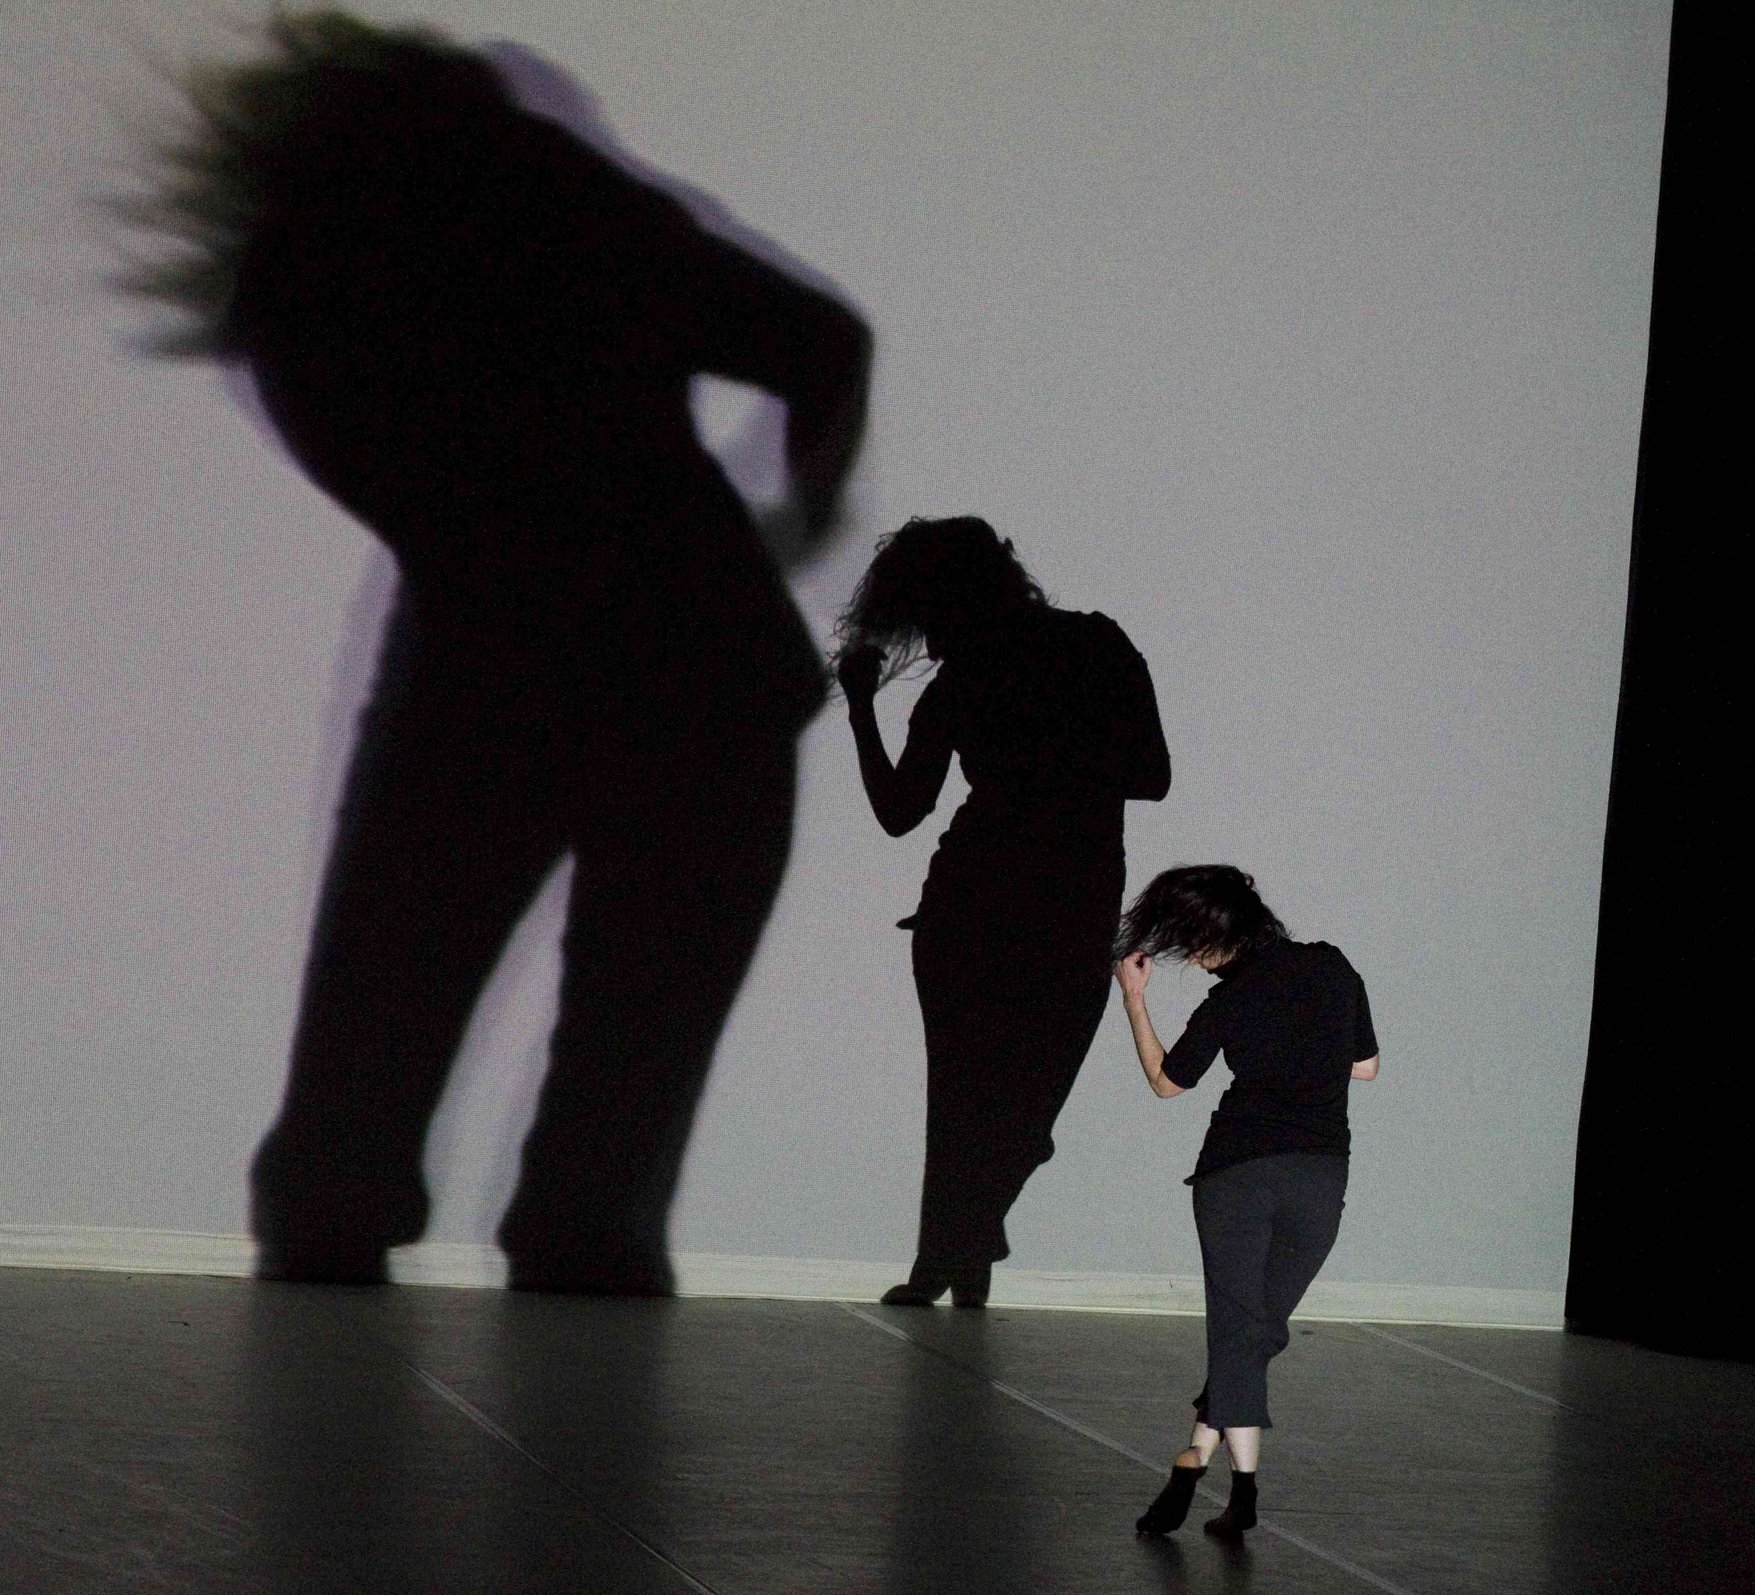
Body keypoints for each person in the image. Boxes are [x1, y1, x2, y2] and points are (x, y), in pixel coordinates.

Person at [120, 14, 871, 1292]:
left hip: (487, 669)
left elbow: (367, 455)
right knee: (638, 1041)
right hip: (698, 660)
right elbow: (821, 343)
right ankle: (575, 1257)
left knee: (378, 1022)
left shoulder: (307, 275)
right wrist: (796, 508)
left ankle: (335, 1237)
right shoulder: (580, 215)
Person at [833, 517, 1168, 1307]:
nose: (931, 638)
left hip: (988, 901)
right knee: (1000, 1101)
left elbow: (898, 809)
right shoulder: (1095, 646)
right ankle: (956, 1260)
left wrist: (860, 707)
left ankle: (955, 1249)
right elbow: (1149, 774)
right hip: (1047, 901)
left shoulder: (977, 675)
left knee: (975, 1099)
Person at [1113, 865, 1379, 1538]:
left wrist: (1134, 1001)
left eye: (1193, 945)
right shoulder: (1333, 967)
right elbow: (1366, 1066)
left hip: (1236, 1176)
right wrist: (1309, 1048)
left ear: (1217, 936)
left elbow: (1167, 1082)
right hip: (1321, 1175)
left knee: (1244, 1331)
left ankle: (1194, 1464)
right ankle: (1240, 1497)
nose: (1194, 960)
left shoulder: (1229, 1001)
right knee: (1253, 1332)